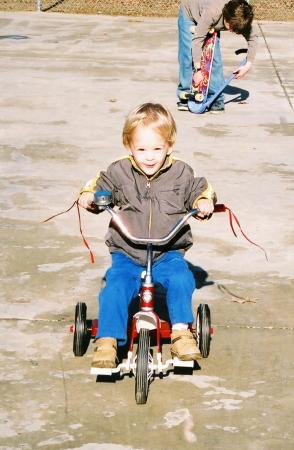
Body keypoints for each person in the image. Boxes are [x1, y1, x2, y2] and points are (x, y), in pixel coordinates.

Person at [78, 102, 216, 368]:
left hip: (167, 252)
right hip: (128, 251)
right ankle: (107, 340)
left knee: (181, 279)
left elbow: (201, 188)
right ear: (129, 147)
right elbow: (98, 185)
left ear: (169, 146)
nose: (149, 156)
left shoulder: (181, 173)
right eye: (141, 149)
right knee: (115, 287)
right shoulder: (119, 172)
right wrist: (89, 197)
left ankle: (180, 332)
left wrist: (203, 202)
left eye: (157, 149)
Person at [177, 0, 258, 113]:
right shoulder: (213, 12)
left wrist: (248, 65)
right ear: (226, 15)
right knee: (187, 56)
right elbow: (197, 40)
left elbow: (253, 38)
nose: (230, 30)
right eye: (229, 26)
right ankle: (185, 95)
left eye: (234, 29)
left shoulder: (241, 15)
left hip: (211, 16)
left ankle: (216, 99)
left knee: (215, 59)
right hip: (190, 11)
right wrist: (198, 69)